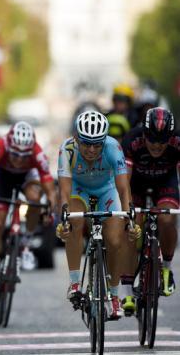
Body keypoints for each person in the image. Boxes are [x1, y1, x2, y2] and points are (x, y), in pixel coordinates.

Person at [55, 111, 139, 319]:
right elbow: (64, 191)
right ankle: (75, 282)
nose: (92, 149)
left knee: (114, 240)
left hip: (106, 190)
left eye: (97, 144)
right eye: (86, 144)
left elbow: (123, 188)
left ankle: (114, 295)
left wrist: (130, 218)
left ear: (104, 141)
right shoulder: (67, 149)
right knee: (74, 220)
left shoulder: (113, 148)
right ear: (76, 138)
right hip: (78, 190)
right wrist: (64, 216)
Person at [0, 121, 56, 310]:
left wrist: (50, 208)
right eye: (15, 154)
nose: (18, 159)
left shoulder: (37, 152)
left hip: (28, 176)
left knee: (35, 198)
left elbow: (50, 188)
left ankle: (25, 244)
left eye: (23, 155)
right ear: (9, 146)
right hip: (3, 177)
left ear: (31, 150)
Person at [119, 108, 178, 314]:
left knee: (167, 220)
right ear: (144, 134)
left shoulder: (178, 140)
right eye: (152, 141)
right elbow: (123, 180)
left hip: (165, 183)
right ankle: (127, 292)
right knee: (130, 229)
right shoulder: (131, 140)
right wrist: (127, 209)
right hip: (136, 184)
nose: (157, 146)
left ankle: (167, 270)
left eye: (163, 142)